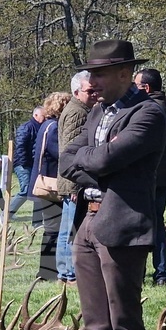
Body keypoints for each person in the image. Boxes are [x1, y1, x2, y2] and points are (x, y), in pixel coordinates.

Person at [59, 39, 166, 330]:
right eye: (91, 74)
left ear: (125, 73)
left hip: (122, 225)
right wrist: (96, 163)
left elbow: (102, 159)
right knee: (97, 324)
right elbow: (67, 158)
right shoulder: (98, 112)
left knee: (126, 325)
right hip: (87, 222)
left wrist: (93, 161)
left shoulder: (149, 113)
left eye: (101, 74)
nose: (93, 82)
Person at [134, 68, 166, 287]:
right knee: (158, 222)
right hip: (165, 175)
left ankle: (139, 271)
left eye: (136, 85)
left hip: (143, 176)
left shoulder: (142, 108)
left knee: (141, 224)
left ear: (146, 87)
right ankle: (161, 273)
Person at [55, 71, 94, 284]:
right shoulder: (78, 112)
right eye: (89, 90)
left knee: (67, 228)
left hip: (71, 179)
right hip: (73, 182)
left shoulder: (78, 109)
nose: (94, 94)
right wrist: (75, 184)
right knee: (71, 229)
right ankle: (69, 272)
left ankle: (64, 271)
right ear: (77, 92)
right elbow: (70, 151)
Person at [28, 92, 69, 281]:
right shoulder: (53, 127)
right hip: (50, 184)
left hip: (44, 181)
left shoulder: (46, 125)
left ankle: (47, 270)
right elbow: (59, 153)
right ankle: (46, 271)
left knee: (52, 227)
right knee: (53, 229)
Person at [11, 107, 44, 217]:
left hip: (33, 164)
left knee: (37, 191)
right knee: (26, 189)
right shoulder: (27, 127)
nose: (45, 118)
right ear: (36, 115)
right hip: (23, 164)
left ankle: (37, 220)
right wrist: (24, 163)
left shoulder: (40, 127)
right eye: (43, 116)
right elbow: (20, 146)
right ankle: (6, 213)